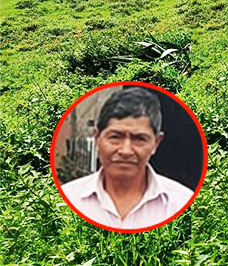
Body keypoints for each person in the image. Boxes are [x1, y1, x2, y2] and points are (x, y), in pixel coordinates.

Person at [61, 87, 194, 230]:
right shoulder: (66, 200)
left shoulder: (183, 204)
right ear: (97, 138)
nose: (125, 151)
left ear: (156, 143)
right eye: (115, 137)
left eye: (139, 139)